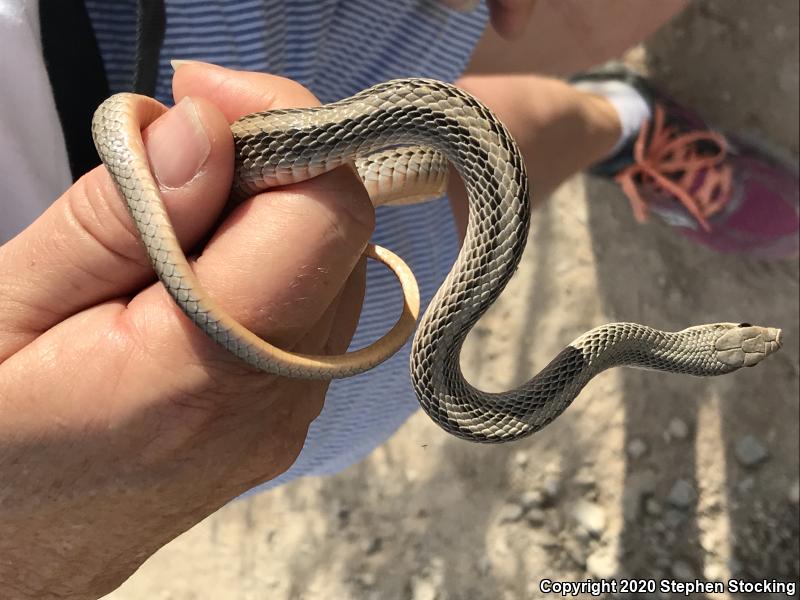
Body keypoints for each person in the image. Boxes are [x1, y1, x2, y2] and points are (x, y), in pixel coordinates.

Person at [0, 1, 796, 598]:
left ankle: (612, 119)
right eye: (740, 333)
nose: (745, 332)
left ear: (695, 340)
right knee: (360, 287)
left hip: (105, 21)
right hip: (130, 382)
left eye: (737, 336)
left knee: (544, 42)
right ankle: (619, 121)